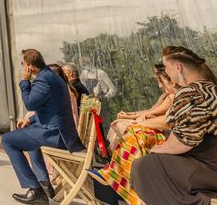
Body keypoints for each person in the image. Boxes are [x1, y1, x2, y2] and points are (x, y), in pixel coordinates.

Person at [131, 46, 217, 205]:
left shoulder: (190, 92)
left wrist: (160, 149)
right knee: (152, 163)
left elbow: (187, 138)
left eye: (166, 68)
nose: (167, 73)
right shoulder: (210, 88)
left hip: (208, 166)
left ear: (178, 67)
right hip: (207, 162)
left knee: (144, 166)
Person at [1, 49, 84, 205]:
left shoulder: (43, 79)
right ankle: (43, 184)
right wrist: (31, 119)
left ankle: (36, 190)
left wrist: (25, 81)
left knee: (7, 140)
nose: (23, 67)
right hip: (58, 130)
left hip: (56, 134)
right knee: (28, 139)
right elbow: (52, 108)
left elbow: (30, 103)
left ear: (30, 67)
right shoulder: (52, 77)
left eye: (23, 64)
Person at [90, 65, 177, 205]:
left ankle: (119, 176)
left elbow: (166, 120)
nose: (159, 85)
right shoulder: (169, 96)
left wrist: (136, 121)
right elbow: (152, 112)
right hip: (167, 136)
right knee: (127, 129)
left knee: (133, 133)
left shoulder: (176, 97)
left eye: (161, 81)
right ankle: (116, 172)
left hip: (169, 138)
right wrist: (133, 117)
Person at [107, 63, 176, 151]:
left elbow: (153, 114)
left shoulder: (172, 97)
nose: (159, 84)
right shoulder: (165, 95)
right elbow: (150, 110)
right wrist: (129, 114)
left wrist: (132, 118)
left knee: (119, 124)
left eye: (159, 79)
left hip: (160, 130)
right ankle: (111, 152)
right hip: (153, 124)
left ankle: (112, 153)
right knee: (119, 123)